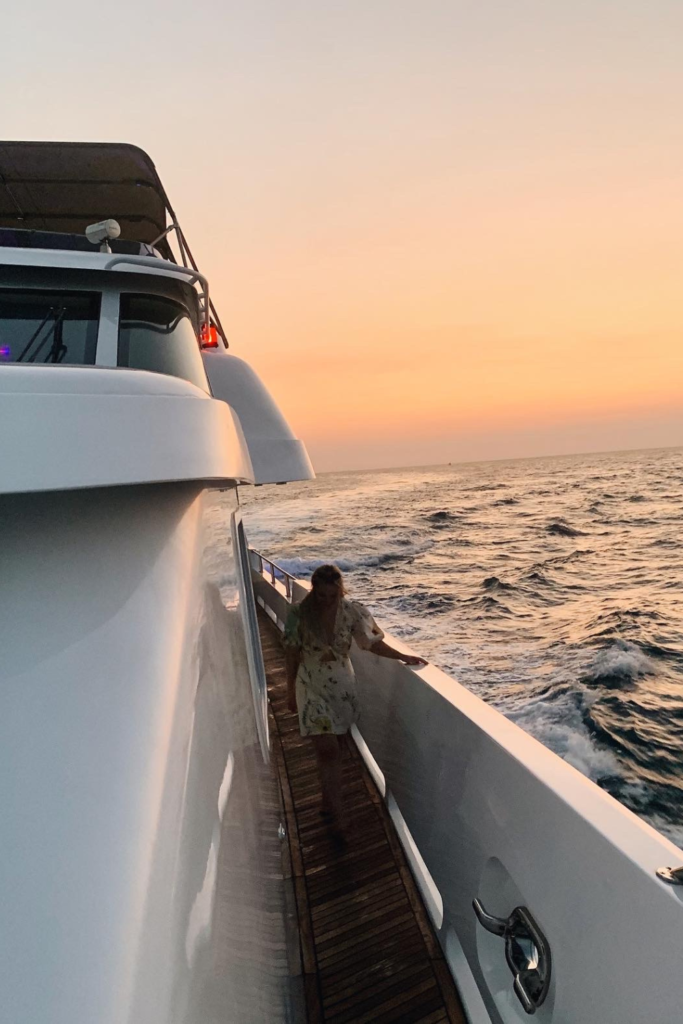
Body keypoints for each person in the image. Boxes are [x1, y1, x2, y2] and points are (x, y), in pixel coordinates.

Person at [283, 564, 427, 838]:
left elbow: (370, 643)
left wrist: (403, 656)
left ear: (340, 591)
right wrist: (290, 691)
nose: (326, 601)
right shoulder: (297, 614)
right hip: (310, 685)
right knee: (329, 750)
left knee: (333, 746)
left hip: (341, 687)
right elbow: (291, 653)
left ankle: (327, 801)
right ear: (313, 589)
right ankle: (339, 815)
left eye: (332, 596)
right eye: (321, 595)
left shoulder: (352, 612)